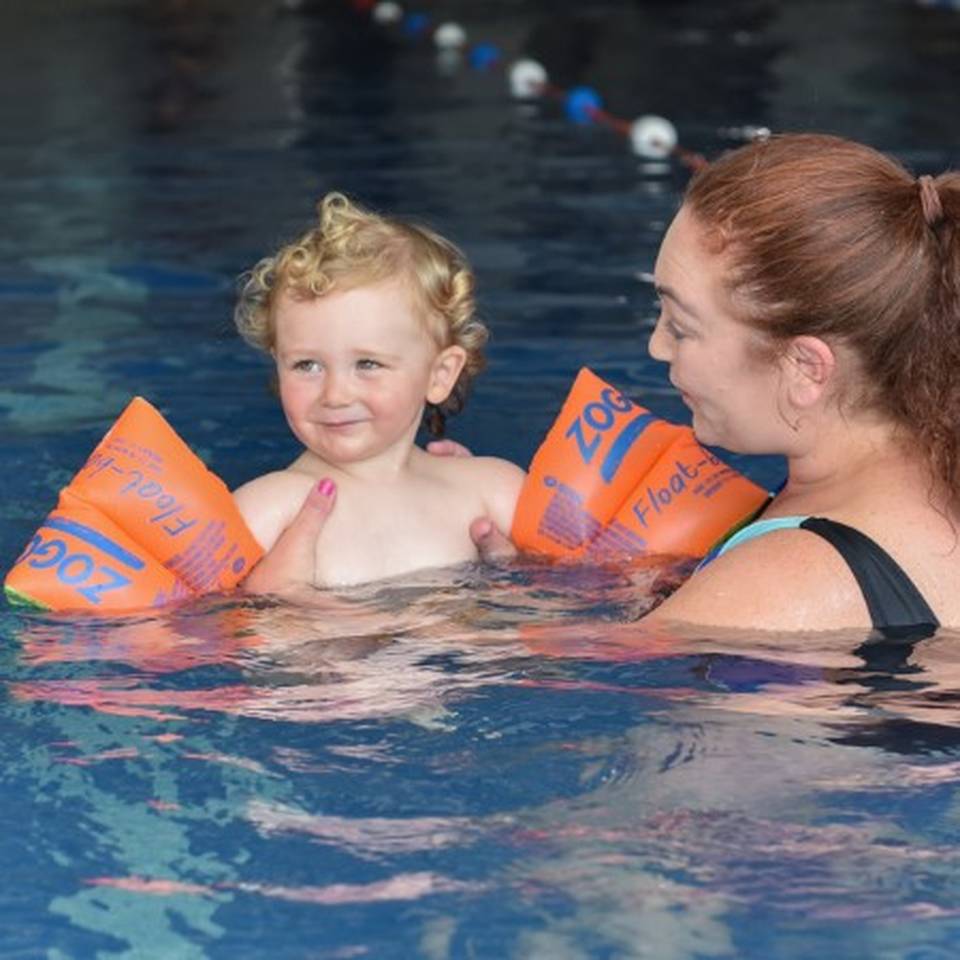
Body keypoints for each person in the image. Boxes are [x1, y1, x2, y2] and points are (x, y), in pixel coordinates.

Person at [248, 135, 960, 635]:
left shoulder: (786, 581)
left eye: (682, 326)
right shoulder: (925, 480)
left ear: (806, 368)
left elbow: (565, 687)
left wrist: (282, 608)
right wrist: (519, 583)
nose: (655, 346)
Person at [233, 192, 525, 590]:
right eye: (307, 365)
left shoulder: (491, 493)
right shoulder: (266, 512)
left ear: (439, 375)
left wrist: (513, 579)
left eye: (368, 364)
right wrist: (271, 605)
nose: (335, 395)